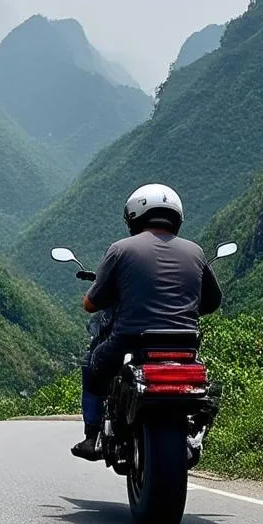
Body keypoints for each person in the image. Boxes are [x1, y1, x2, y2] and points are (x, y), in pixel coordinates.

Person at [71, 183, 223, 460]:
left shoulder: (121, 249)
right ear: (177, 217)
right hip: (185, 345)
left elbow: (90, 304)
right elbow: (212, 302)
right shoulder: (196, 252)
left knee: (91, 364)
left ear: (133, 216)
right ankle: (193, 432)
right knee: (205, 386)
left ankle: (92, 435)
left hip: (130, 340)